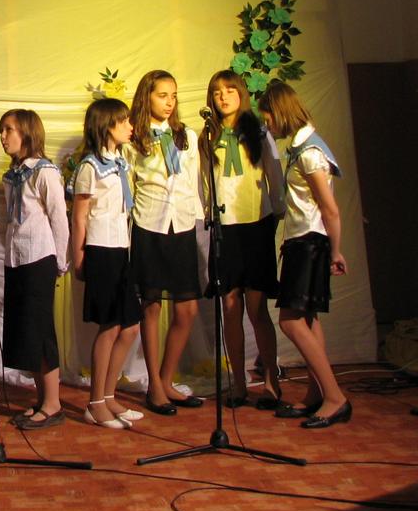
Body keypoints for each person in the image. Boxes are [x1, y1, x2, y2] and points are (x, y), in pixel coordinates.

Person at [257, 82, 351, 428]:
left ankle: (335, 397)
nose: (267, 124)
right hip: (304, 241)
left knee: (290, 320)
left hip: (309, 242)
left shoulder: (310, 152)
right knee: (309, 319)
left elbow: (330, 209)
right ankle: (316, 394)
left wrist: (335, 250)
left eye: (268, 116)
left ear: (280, 111)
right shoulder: (302, 147)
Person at [199, 70, 285, 410]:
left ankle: (271, 381)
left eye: (229, 90)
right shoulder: (208, 136)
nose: (223, 97)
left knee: (256, 308)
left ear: (241, 94)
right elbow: (205, 182)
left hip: (256, 224)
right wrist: (209, 213)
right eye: (217, 91)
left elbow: (274, 175)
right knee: (230, 307)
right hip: (225, 228)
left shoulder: (258, 131)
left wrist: (276, 213)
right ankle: (238, 383)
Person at [126, 70, 203, 416]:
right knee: (152, 306)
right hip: (150, 224)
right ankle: (154, 386)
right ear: (147, 97)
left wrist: (198, 217)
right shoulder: (133, 139)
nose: (169, 102)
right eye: (162, 95)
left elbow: (193, 181)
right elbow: (129, 186)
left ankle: (167, 379)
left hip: (182, 225)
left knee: (187, 309)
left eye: (173, 95)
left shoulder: (187, 135)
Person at [69, 98, 144, 429]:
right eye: (123, 121)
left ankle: (109, 395)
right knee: (110, 326)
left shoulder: (121, 162)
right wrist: (78, 257)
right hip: (101, 250)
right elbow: (79, 217)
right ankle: (95, 403)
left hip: (121, 248)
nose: (130, 126)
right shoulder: (89, 167)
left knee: (130, 327)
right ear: (106, 125)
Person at [0, 109, 69, 430]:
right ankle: (42, 400)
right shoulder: (12, 175)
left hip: (40, 258)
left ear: (27, 132)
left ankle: (53, 404)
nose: (3, 137)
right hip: (17, 259)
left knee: (41, 331)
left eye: (8, 130)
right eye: (1, 130)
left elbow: (59, 218)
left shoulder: (45, 172)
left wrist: (61, 260)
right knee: (28, 331)